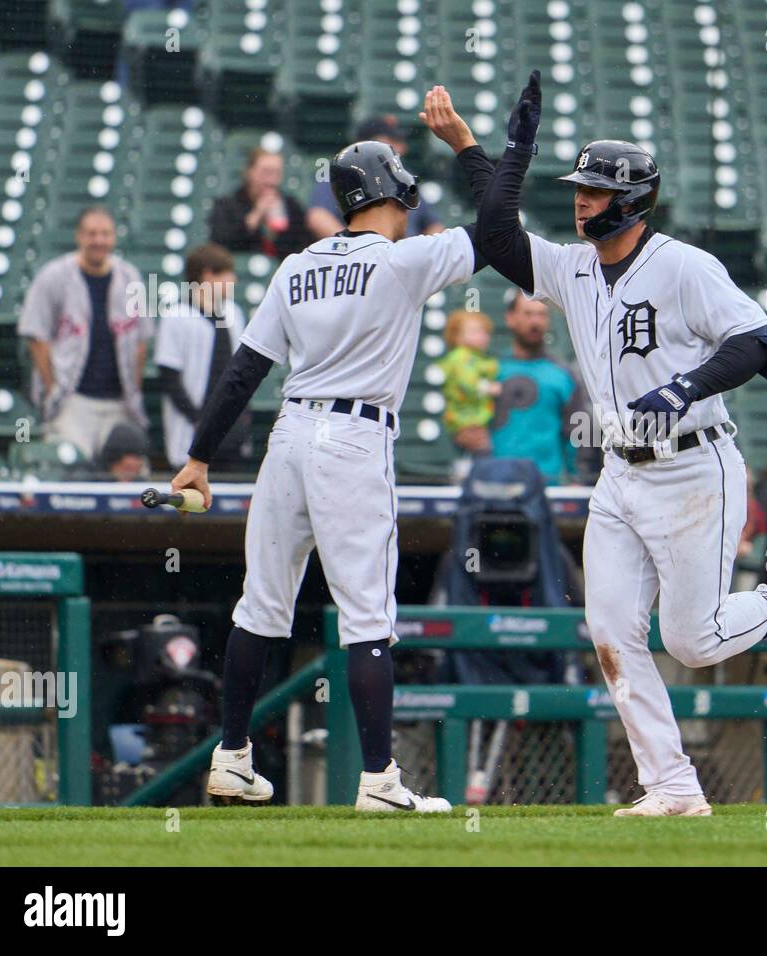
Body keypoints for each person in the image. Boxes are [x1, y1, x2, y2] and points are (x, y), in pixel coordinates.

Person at [474, 71, 767, 817]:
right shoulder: (573, 265)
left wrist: (684, 388)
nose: (580, 200)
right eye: (578, 189)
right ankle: (673, 786)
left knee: (694, 641)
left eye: (595, 191)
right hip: (619, 476)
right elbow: (493, 236)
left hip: (693, 468)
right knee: (611, 632)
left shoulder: (683, 265)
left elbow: (762, 346)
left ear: (633, 200)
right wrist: (514, 150)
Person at [169, 87, 497, 812]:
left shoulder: (296, 265)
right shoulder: (404, 260)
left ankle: (232, 758)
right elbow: (499, 227)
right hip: (353, 438)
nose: (411, 205)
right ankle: (379, 781)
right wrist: (469, 146)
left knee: (260, 607)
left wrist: (197, 456)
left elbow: (243, 372)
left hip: (288, 435)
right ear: (389, 192)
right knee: (368, 616)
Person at [17, 206, 152, 461]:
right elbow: (36, 335)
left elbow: (141, 341)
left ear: (113, 237)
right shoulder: (54, 275)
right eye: (92, 234)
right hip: (73, 399)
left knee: (128, 472)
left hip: (119, 401)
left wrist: (133, 389)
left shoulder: (129, 276)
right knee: (73, 470)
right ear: (79, 236)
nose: (98, 240)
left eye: (105, 234)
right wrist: (52, 387)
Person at [155, 243, 251, 469]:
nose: (233, 281)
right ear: (208, 274)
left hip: (230, 432)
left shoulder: (234, 313)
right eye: (228, 274)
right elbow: (169, 378)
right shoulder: (176, 316)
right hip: (193, 432)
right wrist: (198, 418)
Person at [490, 289, 591, 485]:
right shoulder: (491, 370)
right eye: (527, 314)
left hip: (548, 488)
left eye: (541, 314)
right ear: (510, 318)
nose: (535, 322)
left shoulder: (564, 376)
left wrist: (577, 477)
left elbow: (579, 433)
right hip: (493, 485)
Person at [307, 116, 444, 240]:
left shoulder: (404, 176)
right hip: (363, 263)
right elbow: (318, 217)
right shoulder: (345, 174)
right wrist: (354, 249)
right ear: (364, 144)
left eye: (400, 141)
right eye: (392, 141)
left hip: (402, 260)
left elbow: (434, 225)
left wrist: (417, 254)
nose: (401, 148)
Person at [209, 147, 312, 260]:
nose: (271, 180)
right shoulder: (227, 204)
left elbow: (302, 247)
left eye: (277, 173)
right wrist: (256, 215)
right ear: (249, 172)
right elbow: (221, 245)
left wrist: (276, 232)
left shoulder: (291, 205)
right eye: (266, 172)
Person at [439, 309, 501, 459]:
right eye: (475, 331)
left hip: (476, 419)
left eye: (485, 332)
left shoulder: (478, 359)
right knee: (479, 453)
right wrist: (489, 388)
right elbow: (466, 383)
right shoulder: (460, 358)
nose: (483, 336)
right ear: (457, 336)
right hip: (465, 420)